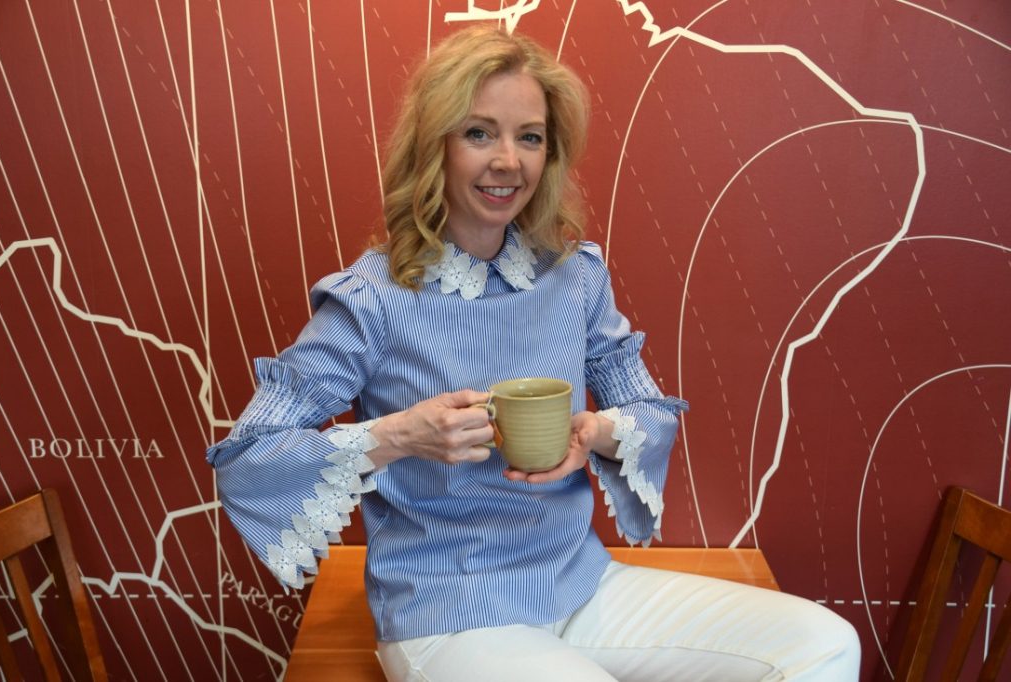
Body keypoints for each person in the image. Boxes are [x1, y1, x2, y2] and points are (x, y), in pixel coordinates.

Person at [206, 25, 860, 681]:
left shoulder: (575, 277)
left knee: (824, 646)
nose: (508, 162)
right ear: (433, 146)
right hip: (448, 611)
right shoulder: (371, 298)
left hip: (577, 584)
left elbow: (646, 405)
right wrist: (400, 434)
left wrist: (596, 432)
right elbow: (250, 451)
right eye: (479, 132)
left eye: (530, 137)